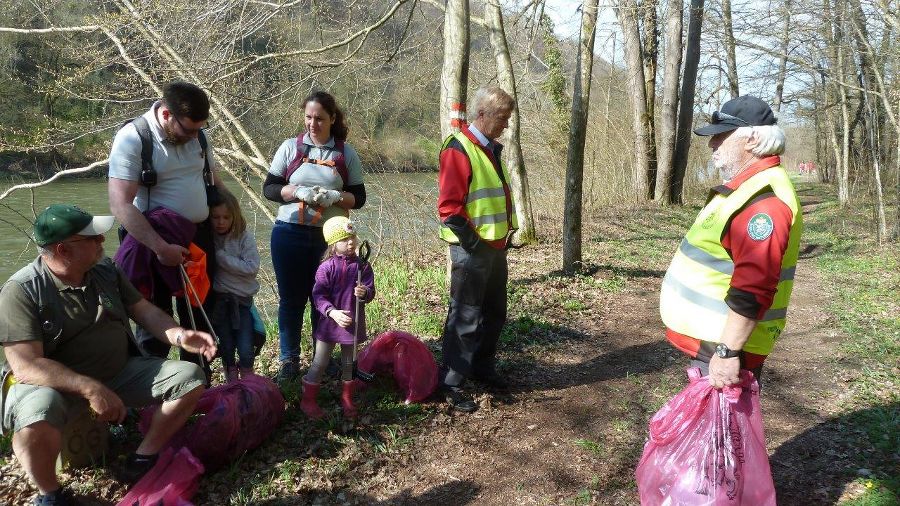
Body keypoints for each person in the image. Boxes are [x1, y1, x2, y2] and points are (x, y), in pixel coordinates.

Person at [0, 205, 217, 506]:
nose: (102, 240)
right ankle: (50, 493)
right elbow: (26, 365)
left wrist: (180, 335)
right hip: (54, 387)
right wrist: (90, 388)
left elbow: (143, 311)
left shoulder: (105, 271)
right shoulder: (21, 291)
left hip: (117, 372)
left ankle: (143, 458)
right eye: (92, 237)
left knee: (190, 378)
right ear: (63, 250)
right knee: (36, 415)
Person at [659, 95, 803, 388]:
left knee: (722, 432)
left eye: (721, 137)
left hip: (723, 345)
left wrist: (727, 351)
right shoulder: (746, 188)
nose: (712, 145)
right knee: (714, 431)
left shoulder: (763, 202)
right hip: (714, 341)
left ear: (750, 139)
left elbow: (754, 286)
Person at [108, 81, 221, 377]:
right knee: (152, 319)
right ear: (168, 114)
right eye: (188, 129)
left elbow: (214, 183)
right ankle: (149, 394)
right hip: (150, 244)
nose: (195, 136)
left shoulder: (200, 138)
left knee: (198, 316)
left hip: (197, 240)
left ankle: (196, 388)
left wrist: (234, 220)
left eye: (200, 128)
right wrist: (160, 248)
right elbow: (120, 205)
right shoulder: (133, 138)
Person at [262, 91, 367, 383]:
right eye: (308, 117)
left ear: (332, 119)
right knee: (291, 300)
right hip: (289, 234)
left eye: (319, 118)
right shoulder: (289, 148)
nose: (312, 124)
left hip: (329, 240)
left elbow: (359, 198)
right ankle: (289, 361)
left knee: (324, 298)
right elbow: (269, 189)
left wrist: (335, 196)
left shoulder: (346, 153)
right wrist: (296, 191)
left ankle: (321, 359)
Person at [437, 87, 518, 413]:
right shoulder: (459, 148)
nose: (506, 126)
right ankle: (451, 384)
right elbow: (450, 210)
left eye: (508, 119)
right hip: (473, 251)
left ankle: (483, 369)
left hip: (494, 248)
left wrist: (497, 242)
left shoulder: (488, 148)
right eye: (502, 119)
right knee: (465, 317)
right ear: (482, 115)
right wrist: (476, 245)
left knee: (495, 313)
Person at [301, 217, 375, 419]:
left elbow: (371, 291)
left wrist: (365, 292)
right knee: (320, 361)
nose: (350, 242)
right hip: (329, 325)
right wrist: (332, 312)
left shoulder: (363, 267)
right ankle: (308, 399)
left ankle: (347, 397)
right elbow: (318, 296)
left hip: (352, 324)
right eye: (344, 239)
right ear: (333, 245)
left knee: (349, 362)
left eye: (352, 237)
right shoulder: (326, 268)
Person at [209, 189, 261, 383]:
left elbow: (252, 267)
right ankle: (231, 381)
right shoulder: (210, 238)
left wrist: (222, 258)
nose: (220, 222)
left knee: (246, 347)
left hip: (242, 301)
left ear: (234, 216)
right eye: (215, 217)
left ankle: (248, 380)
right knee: (227, 346)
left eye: (226, 217)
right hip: (220, 301)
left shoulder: (244, 237)